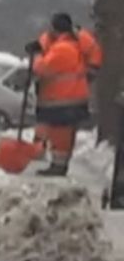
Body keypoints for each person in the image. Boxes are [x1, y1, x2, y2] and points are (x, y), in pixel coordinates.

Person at [29, 13, 92, 177]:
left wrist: (37, 56)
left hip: (64, 100)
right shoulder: (71, 45)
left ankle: (58, 166)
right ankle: (57, 163)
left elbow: (42, 68)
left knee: (61, 134)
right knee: (60, 133)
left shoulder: (63, 49)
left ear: (56, 29)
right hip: (69, 98)